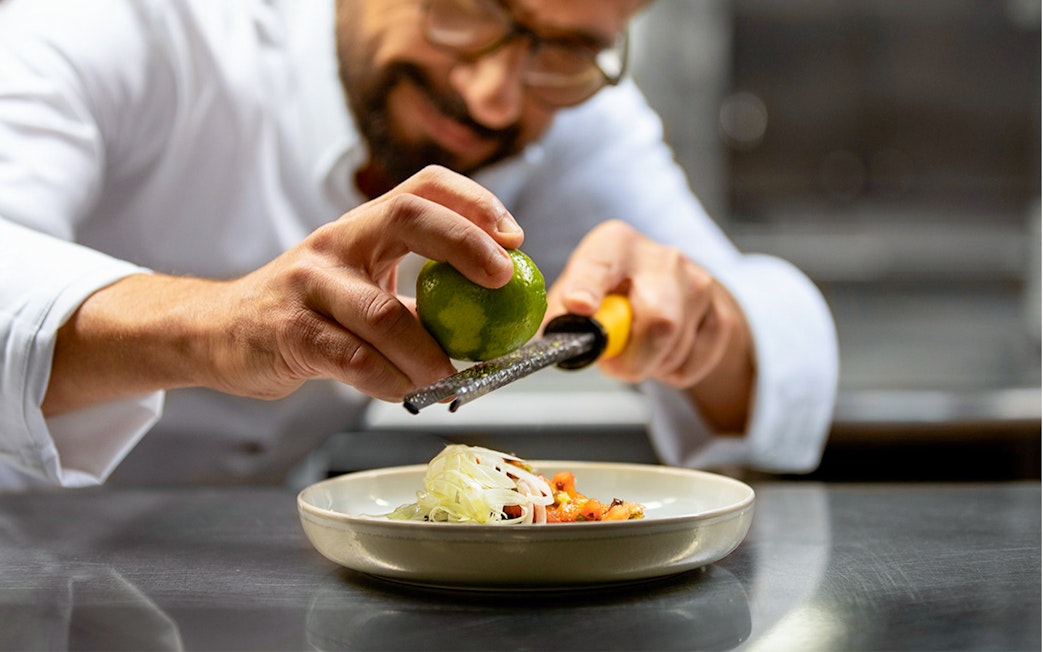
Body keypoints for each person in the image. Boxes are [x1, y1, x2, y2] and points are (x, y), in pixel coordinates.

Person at [0, 0, 838, 489]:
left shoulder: (567, 117)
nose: (493, 100)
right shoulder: (128, 22)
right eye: (467, 8)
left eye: (570, 47)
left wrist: (704, 323)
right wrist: (224, 324)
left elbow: (778, 350)